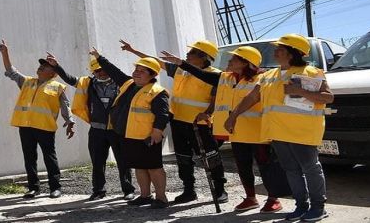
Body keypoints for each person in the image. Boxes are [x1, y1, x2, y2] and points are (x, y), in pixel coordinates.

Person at [160, 46, 288, 213]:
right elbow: (203, 75)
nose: (229, 61)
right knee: (243, 166)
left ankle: (273, 199)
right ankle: (251, 198)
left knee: (265, 167)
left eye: (234, 59)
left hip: (259, 132)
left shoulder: (262, 79)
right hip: (236, 132)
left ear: (246, 63)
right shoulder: (226, 78)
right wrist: (181, 64)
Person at [224, 34, 334, 221]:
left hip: (303, 132)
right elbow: (251, 98)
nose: (275, 51)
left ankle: (318, 207)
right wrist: (233, 115)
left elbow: (328, 97)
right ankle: (301, 206)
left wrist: (301, 91)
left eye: (280, 49)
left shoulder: (311, 73)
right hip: (278, 133)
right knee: (291, 171)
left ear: (292, 54)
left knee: (310, 169)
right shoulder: (268, 76)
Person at [121, 39, 228, 204]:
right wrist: (133, 50)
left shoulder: (214, 74)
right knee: (183, 158)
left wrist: (207, 113)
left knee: (210, 157)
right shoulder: (180, 70)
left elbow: (216, 99)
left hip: (199, 124)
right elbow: (155, 63)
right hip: (178, 121)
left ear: (204, 56)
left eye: (192, 52)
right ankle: (189, 190)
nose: (188, 54)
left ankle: (220, 189)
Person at [45, 53, 136, 201]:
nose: (100, 73)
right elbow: (70, 79)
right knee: (97, 162)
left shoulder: (121, 82)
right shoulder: (87, 83)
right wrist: (56, 66)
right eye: (97, 71)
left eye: (102, 69)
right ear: (93, 72)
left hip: (117, 130)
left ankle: (128, 190)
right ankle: (98, 190)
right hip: (97, 130)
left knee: (123, 161)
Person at [90, 47, 170, 208]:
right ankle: (145, 195)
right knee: (139, 167)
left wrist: (157, 131)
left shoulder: (157, 92)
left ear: (152, 75)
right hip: (129, 135)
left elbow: (163, 115)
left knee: (154, 168)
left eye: (142, 71)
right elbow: (114, 71)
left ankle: (161, 198)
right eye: (136, 69)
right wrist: (100, 58)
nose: (137, 73)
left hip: (148, 137)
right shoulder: (129, 84)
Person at [0, 39, 76, 199]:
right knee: (29, 157)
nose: (40, 67)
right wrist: (5, 53)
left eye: (45, 66)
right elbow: (11, 71)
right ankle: (33, 188)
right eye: (41, 65)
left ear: (53, 73)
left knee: (50, 157)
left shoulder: (57, 86)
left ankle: (56, 187)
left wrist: (70, 122)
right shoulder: (27, 82)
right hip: (26, 126)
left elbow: (65, 106)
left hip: (45, 127)